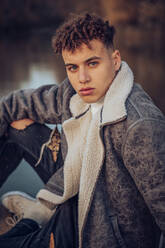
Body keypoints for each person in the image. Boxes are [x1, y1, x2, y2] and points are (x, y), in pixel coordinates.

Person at [0, 12, 165, 248]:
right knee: (15, 124)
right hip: (71, 185)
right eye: (72, 67)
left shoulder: (140, 126)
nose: (82, 78)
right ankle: (40, 215)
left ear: (115, 60)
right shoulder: (74, 92)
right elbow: (13, 104)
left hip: (90, 229)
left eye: (92, 63)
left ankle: (35, 221)